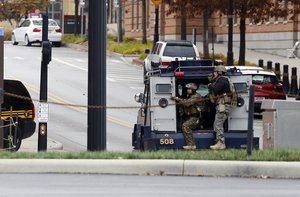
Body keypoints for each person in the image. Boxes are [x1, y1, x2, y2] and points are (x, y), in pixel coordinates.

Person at [171, 83, 203, 150]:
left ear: (193, 90)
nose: (188, 90)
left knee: (185, 126)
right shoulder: (190, 96)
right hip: (191, 117)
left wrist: (177, 98)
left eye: (190, 89)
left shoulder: (196, 96)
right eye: (187, 89)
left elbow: (187, 103)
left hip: (195, 118)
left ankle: (191, 145)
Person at [208, 66, 232, 150]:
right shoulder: (224, 79)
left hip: (223, 105)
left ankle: (221, 143)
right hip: (222, 105)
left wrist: (210, 85)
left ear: (219, 72)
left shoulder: (222, 80)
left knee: (218, 124)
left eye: (215, 72)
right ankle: (219, 142)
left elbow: (216, 89)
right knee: (217, 123)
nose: (214, 74)